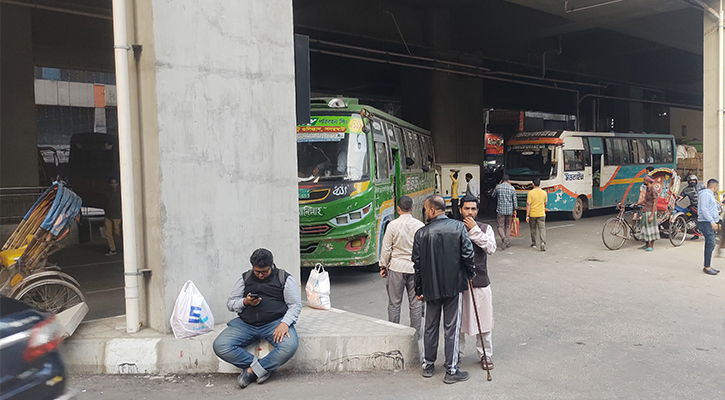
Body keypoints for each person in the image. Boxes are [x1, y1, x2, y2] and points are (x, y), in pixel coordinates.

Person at [213, 248, 301, 388]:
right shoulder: (245, 278)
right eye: (257, 272)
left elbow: (295, 305)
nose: (260, 275)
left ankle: (251, 371)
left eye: (264, 272)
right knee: (220, 345)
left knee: (289, 346)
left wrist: (285, 323)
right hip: (245, 324)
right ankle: (261, 369)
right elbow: (230, 303)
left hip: (274, 323)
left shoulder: (284, 278)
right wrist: (245, 302)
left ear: (271, 265)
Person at [413, 195, 474, 384]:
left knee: (430, 326)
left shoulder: (421, 234)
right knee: (451, 328)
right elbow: (468, 254)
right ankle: (451, 369)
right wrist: (469, 274)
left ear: (432, 210)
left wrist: (419, 288)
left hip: (431, 288)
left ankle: (428, 365)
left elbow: (417, 265)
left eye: (425, 209)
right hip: (453, 286)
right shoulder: (458, 227)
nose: (425, 212)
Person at [457, 195, 496, 370]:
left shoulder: (485, 228)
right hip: (458, 283)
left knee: (484, 321)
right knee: (457, 323)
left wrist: (474, 231)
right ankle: (456, 355)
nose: (470, 212)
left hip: (480, 281)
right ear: (460, 210)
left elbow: (491, 248)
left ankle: (485, 355)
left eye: (473, 209)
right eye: (467, 209)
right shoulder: (455, 228)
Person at [379, 195, 425, 335]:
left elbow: (386, 248)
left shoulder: (392, 225)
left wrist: (383, 266)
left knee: (394, 304)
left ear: (398, 209)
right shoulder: (420, 225)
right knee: (416, 304)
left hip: (396, 268)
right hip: (415, 269)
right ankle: (415, 335)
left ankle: (394, 333)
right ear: (411, 208)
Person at [698, 179, 721, 275]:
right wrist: (712, 222)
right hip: (706, 222)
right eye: (717, 188)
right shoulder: (706, 194)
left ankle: (707, 265)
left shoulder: (709, 195)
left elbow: (713, 206)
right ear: (714, 187)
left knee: (710, 243)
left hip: (709, 222)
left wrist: (720, 204)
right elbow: (704, 209)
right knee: (711, 243)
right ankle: (707, 267)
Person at [492, 174, 517, 249]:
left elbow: (493, 195)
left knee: (500, 226)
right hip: (509, 210)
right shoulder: (512, 188)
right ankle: (507, 241)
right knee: (507, 226)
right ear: (508, 180)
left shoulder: (498, 187)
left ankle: (503, 238)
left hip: (500, 210)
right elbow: (514, 201)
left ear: (502, 180)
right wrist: (515, 209)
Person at [677, 175, 703, 240]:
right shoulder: (686, 190)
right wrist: (675, 200)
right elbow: (681, 196)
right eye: (691, 181)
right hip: (693, 206)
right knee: (687, 215)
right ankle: (694, 231)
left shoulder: (701, 187)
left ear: (696, 180)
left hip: (702, 206)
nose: (692, 182)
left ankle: (697, 231)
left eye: (694, 180)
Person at [637, 175, 659, 252]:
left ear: (648, 181)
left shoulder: (653, 190)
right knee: (645, 228)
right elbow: (645, 200)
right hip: (645, 210)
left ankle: (651, 246)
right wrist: (638, 203)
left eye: (644, 180)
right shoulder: (647, 188)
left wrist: (652, 216)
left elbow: (654, 203)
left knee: (651, 229)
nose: (643, 181)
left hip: (650, 211)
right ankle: (646, 244)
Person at [526, 178, 547, 251]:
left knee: (533, 229)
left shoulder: (530, 193)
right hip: (541, 213)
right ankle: (543, 243)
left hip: (533, 214)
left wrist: (527, 215)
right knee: (542, 228)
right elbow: (545, 203)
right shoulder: (544, 193)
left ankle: (534, 243)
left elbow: (529, 204)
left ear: (533, 184)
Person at [104, 178, 122, 256]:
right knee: (108, 233)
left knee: (117, 232)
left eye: (115, 183)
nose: (113, 185)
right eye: (112, 183)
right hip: (108, 216)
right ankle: (112, 249)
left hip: (117, 216)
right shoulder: (107, 193)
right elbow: (105, 204)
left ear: (117, 184)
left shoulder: (121, 193)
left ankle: (125, 246)